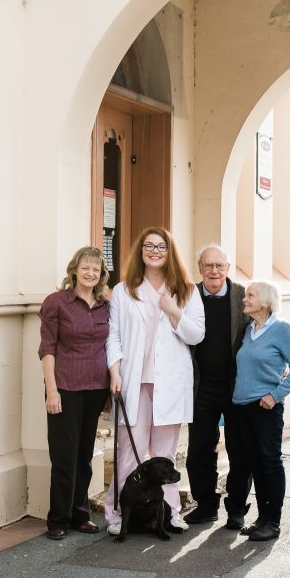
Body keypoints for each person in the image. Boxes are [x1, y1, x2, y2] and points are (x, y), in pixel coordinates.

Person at [105, 226, 205, 537]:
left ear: (169, 251)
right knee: (126, 451)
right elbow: (114, 337)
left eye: (161, 246)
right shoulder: (124, 290)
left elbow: (196, 335)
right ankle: (117, 513)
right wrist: (115, 372)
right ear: (141, 251)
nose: (155, 251)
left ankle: (171, 512)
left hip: (169, 385)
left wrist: (174, 311)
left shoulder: (187, 291)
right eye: (149, 245)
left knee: (166, 454)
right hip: (133, 383)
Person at [38, 246, 110, 540]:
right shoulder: (57, 303)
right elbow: (47, 348)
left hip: (95, 388)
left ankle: (80, 514)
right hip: (65, 387)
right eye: (85, 267)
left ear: (101, 274)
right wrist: (51, 391)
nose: (90, 273)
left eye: (96, 269)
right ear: (74, 270)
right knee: (64, 456)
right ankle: (58, 519)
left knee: (84, 455)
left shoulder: (106, 304)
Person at [184, 244, 252, 530]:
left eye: (219, 266)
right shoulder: (189, 296)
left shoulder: (241, 296)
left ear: (227, 268)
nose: (214, 271)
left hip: (236, 386)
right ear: (199, 268)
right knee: (200, 449)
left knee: (240, 449)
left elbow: (259, 329)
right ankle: (206, 504)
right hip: (201, 387)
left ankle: (236, 508)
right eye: (208, 266)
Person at [232, 279, 290, 541]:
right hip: (242, 407)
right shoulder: (249, 330)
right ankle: (262, 518)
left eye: (250, 295)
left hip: (265, 408)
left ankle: (273, 522)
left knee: (270, 463)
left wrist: (275, 396)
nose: (244, 299)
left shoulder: (281, 329)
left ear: (265, 301)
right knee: (255, 464)